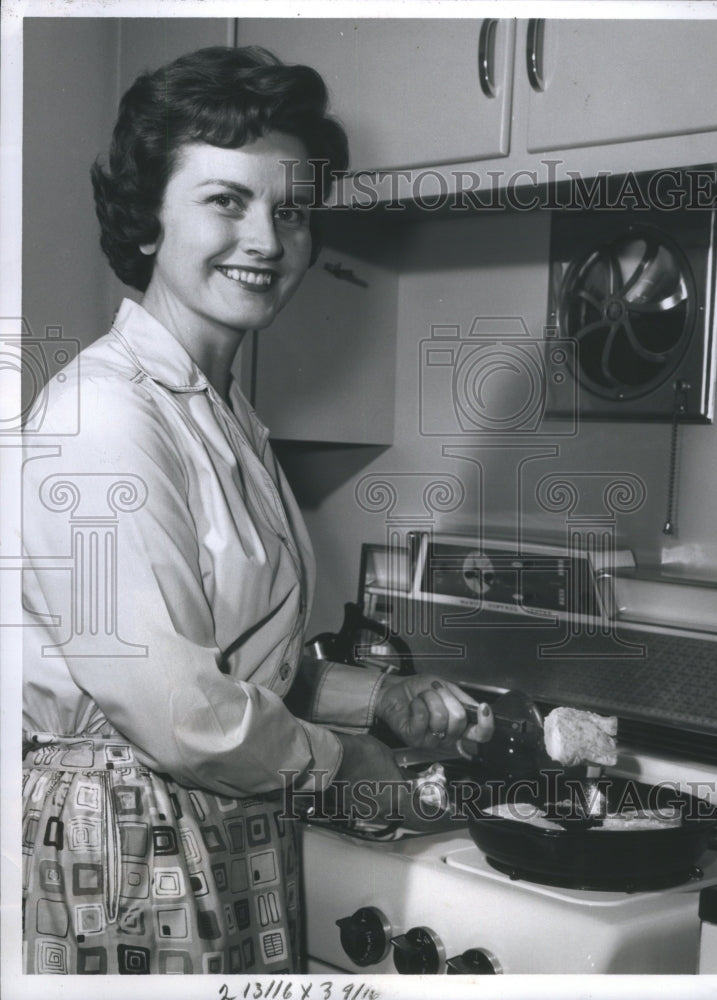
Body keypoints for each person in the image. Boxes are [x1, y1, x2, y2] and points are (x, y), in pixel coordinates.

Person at [21, 45, 492, 977]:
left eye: (293, 211)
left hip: (213, 828)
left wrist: (378, 702)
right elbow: (177, 708)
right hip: (120, 850)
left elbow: (239, 665)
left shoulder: (226, 413)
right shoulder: (101, 413)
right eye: (226, 200)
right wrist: (345, 763)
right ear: (148, 221)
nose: (270, 241)